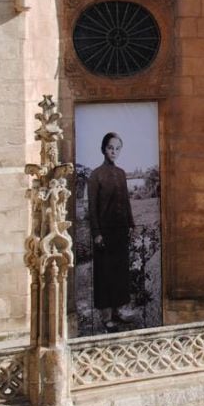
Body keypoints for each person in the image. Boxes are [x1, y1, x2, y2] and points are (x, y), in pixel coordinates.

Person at [88, 132, 135, 330]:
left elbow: (126, 202)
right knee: (105, 274)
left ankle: (118, 312)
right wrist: (97, 233)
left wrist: (131, 225)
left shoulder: (122, 174)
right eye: (110, 148)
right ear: (103, 149)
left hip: (120, 232)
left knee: (119, 273)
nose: (113, 152)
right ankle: (106, 317)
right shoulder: (96, 175)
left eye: (117, 148)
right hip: (104, 233)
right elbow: (91, 207)